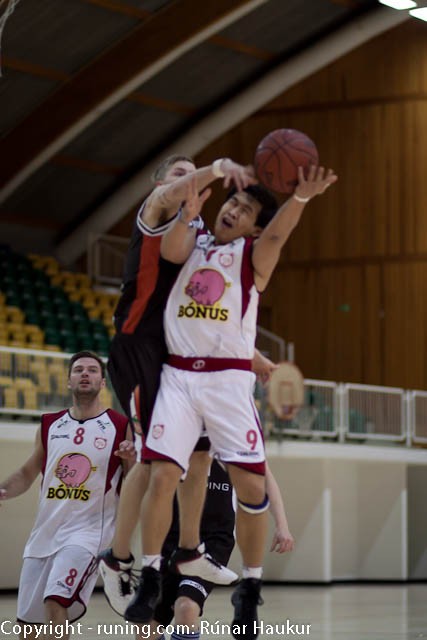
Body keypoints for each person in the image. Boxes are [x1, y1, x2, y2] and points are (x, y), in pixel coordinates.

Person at [126, 164, 338, 636]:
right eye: (233, 203)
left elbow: (278, 236)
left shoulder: (252, 257)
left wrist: (300, 199)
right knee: (163, 475)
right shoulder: (193, 240)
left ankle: (250, 587)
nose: (234, 211)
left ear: (253, 228)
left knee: (252, 489)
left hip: (227, 382)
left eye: (245, 211)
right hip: (179, 375)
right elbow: (171, 251)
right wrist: (187, 214)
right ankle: (151, 574)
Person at [99, 154, 258, 614]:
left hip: (179, 357)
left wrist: (255, 355)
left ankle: (190, 549)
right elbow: (172, 196)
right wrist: (215, 168)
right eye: (178, 174)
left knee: (200, 453)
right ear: (159, 184)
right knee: (152, 458)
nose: (186, 181)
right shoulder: (155, 211)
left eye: (192, 174)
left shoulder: (199, 233)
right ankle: (118, 557)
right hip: (139, 345)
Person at [0, 351, 136, 640]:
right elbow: (26, 473)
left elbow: (135, 482)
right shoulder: (50, 424)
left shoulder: (119, 425)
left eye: (92, 370)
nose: (85, 373)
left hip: (87, 534)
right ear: (68, 381)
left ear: (102, 383)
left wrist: (131, 460)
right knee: (27, 629)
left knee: (55, 601)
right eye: (78, 370)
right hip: (44, 534)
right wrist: (3, 491)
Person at [140, 459, 294, 640]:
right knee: (145, 628)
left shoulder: (235, 444)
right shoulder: (176, 442)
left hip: (214, 539)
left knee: (186, 608)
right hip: (171, 535)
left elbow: (264, 477)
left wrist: (282, 524)